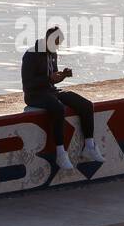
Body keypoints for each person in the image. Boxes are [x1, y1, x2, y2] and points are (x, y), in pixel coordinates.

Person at [21, 26, 103, 171]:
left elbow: (52, 80)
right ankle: (60, 153)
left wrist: (62, 76)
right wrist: (48, 78)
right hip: (34, 95)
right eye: (55, 43)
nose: (57, 46)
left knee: (86, 105)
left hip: (50, 91)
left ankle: (89, 146)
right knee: (58, 108)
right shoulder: (31, 54)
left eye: (59, 43)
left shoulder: (53, 53)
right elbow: (28, 83)